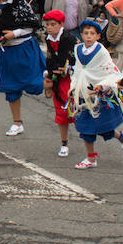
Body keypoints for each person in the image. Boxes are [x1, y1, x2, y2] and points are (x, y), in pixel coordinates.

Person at [0, 0, 45, 136]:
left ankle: (58, 88)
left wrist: (15, 33)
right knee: (11, 87)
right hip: (7, 50)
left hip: (24, 48)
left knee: (35, 85)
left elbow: (33, 25)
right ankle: (17, 123)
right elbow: (1, 23)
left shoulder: (20, 3)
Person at [67, 18, 123, 168]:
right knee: (86, 129)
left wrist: (102, 85)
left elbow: (109, 71)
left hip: (98, 96)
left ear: (98, 36)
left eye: (92, 33)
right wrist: (73, 87)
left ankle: (121, 137)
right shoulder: (78, 49)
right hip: (83, 95)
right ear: (81, 35)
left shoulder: (101, 51)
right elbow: (78, 71)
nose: (88, 36)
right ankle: (91, 158)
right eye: (86, 33)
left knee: (103, 128)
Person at [41, 10, 77, 157]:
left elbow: (74, 59)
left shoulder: (69, 38)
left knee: (79, 112)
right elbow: (49, 58)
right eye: (47, 24)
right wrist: (50, 74)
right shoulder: (49, 39)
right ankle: (64, 143)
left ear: (61, 24)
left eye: (53, 24)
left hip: (71, 79)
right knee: (61, 113)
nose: (49, 27)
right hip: (58, 80)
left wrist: (66, 68)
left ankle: (116, 136)